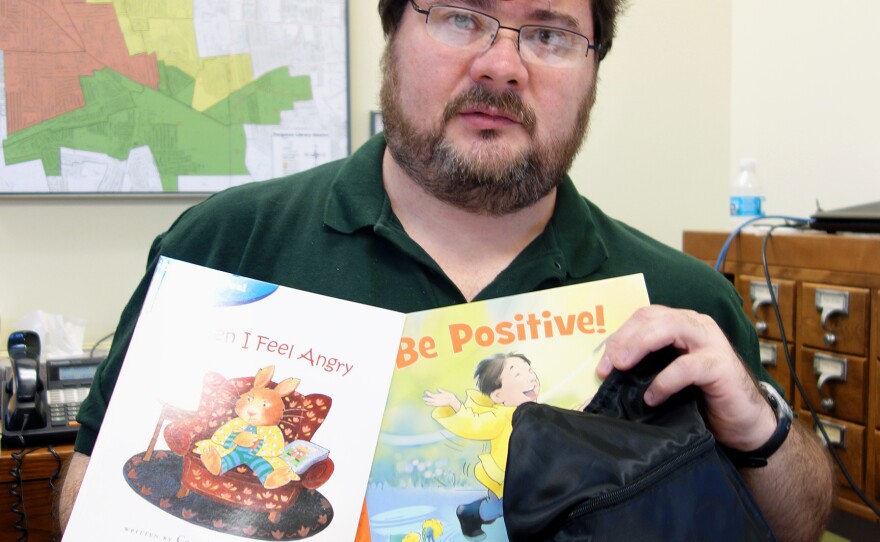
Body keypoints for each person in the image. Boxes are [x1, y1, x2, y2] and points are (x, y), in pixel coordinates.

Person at [57, 1, 835, 540]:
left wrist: (759, 424)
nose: (502, 65)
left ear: (593, 70)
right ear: (393, 32)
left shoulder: (684, 303)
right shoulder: (226, 244)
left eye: (552, 34)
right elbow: (91, 497)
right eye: (462, 16)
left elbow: (794, 529)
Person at [423, 353, 541, 539]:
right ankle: (469, 514)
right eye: (518, 374)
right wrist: (455, 405)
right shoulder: (500, 418)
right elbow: (474, 424)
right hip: (506, 483)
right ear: (498, 394)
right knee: (496, 508)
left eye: (529, 370)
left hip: (531, 477)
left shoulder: (537, 410)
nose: (531, 376)